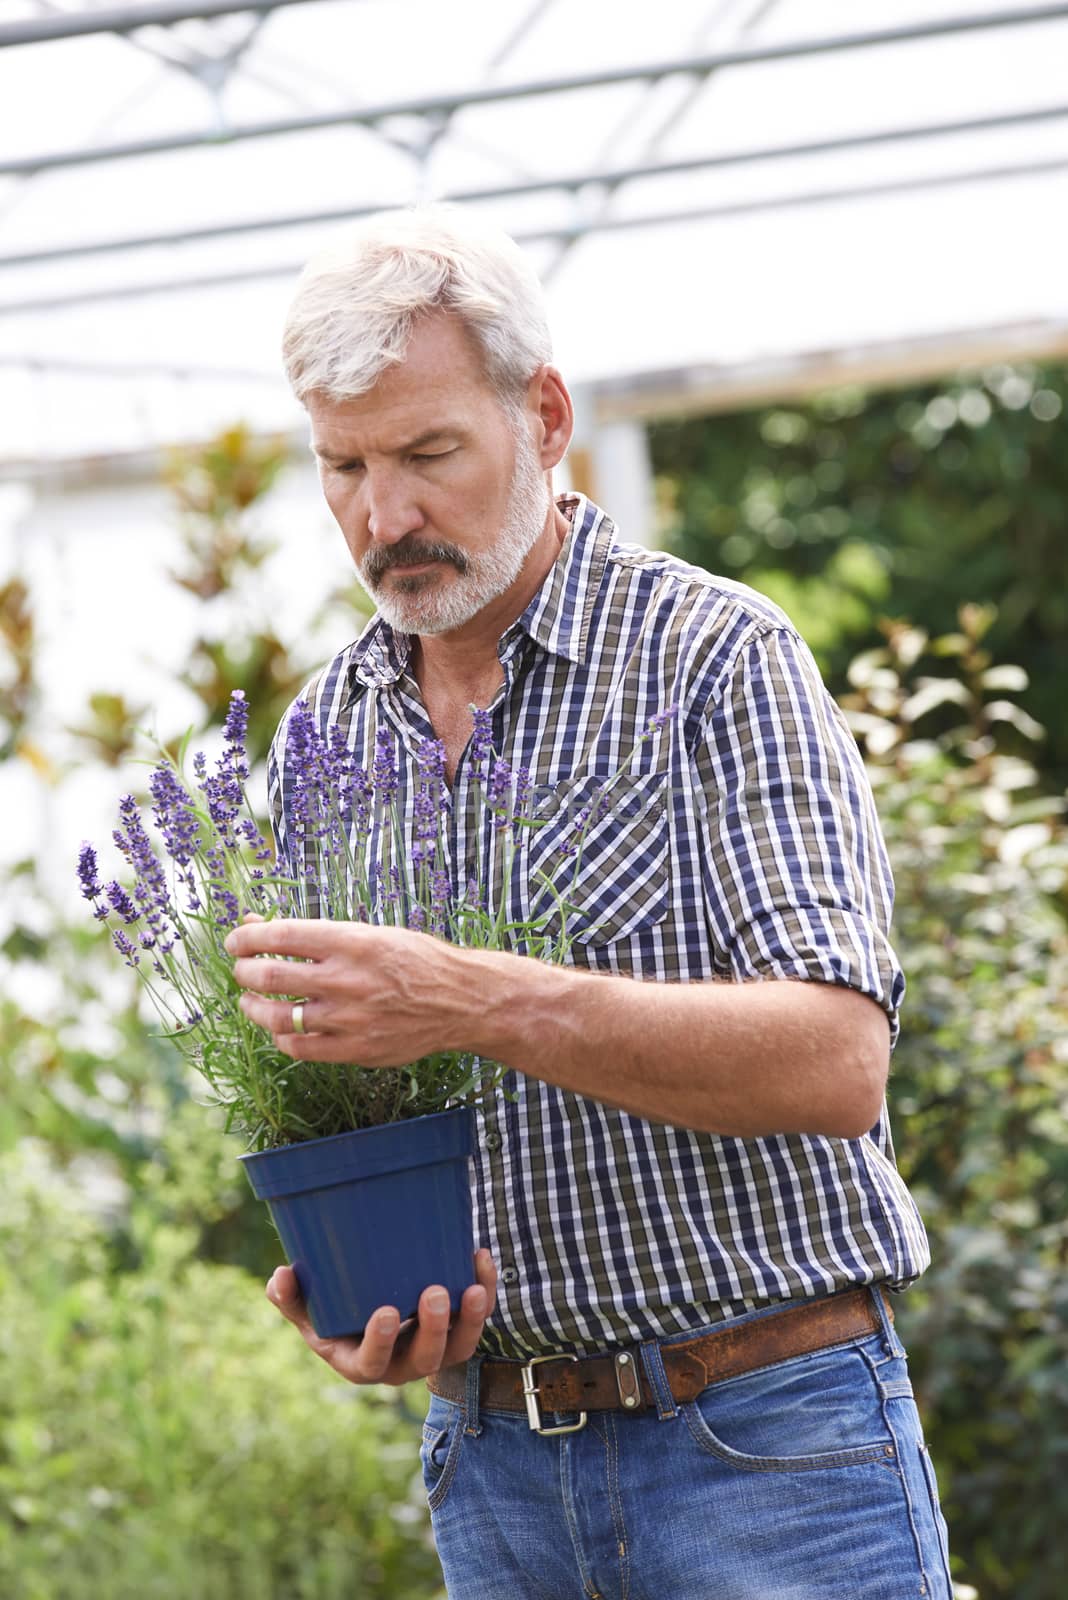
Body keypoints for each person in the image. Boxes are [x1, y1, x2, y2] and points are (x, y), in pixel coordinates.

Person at [225, 205, 952, 1599]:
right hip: (492, 1473)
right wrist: (360, 1298)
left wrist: (473, 996)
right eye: (344, 466)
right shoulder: (332, 732)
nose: (386, 517)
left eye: (429, 453)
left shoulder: (714, 657)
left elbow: (835, 1060)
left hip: (772, 1452)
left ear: (544, 415)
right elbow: (350, 1118)